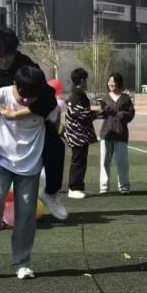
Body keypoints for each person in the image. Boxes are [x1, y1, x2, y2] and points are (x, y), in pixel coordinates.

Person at [0, 65, 59, 280]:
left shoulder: (45, 100)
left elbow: (55, 120)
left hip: (31, 164)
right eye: (23, 95)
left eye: (31, 97)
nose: (26, 100)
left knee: (26, 213)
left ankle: (22, 262)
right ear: (15, 84)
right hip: (2, 161)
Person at [0, 27, 66, 219]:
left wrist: (19, 114)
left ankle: (51, 193)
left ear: (15, 51)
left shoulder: (26, 65)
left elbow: (48, 97)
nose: (3, 61)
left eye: (8, 56)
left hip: (29, 115)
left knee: (55, 146)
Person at [97, 72, 135, 195]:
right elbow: (102, 115)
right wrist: (101, 110)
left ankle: (124, 186)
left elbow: (130, 115)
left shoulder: (125, 98)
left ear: (119, 82)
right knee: (104, 162)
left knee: (122, 162)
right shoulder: (105, 97)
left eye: (113, 81)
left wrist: (120, 114)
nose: (111, 84)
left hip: (120, 133)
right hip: (106, 133)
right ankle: (104, 186)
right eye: (109, 81)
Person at [63, 67, 99, 199]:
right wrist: (98, 113)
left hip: (81, 134)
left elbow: (84, 113)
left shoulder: (79, 94)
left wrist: (96, 113)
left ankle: (79, 187)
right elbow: (82, 115)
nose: (87, 82)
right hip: (76, 134)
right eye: (86, 80)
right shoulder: (76, 96)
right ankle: (73, 188)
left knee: (82, 160)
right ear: (82, 80)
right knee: (77, 161)